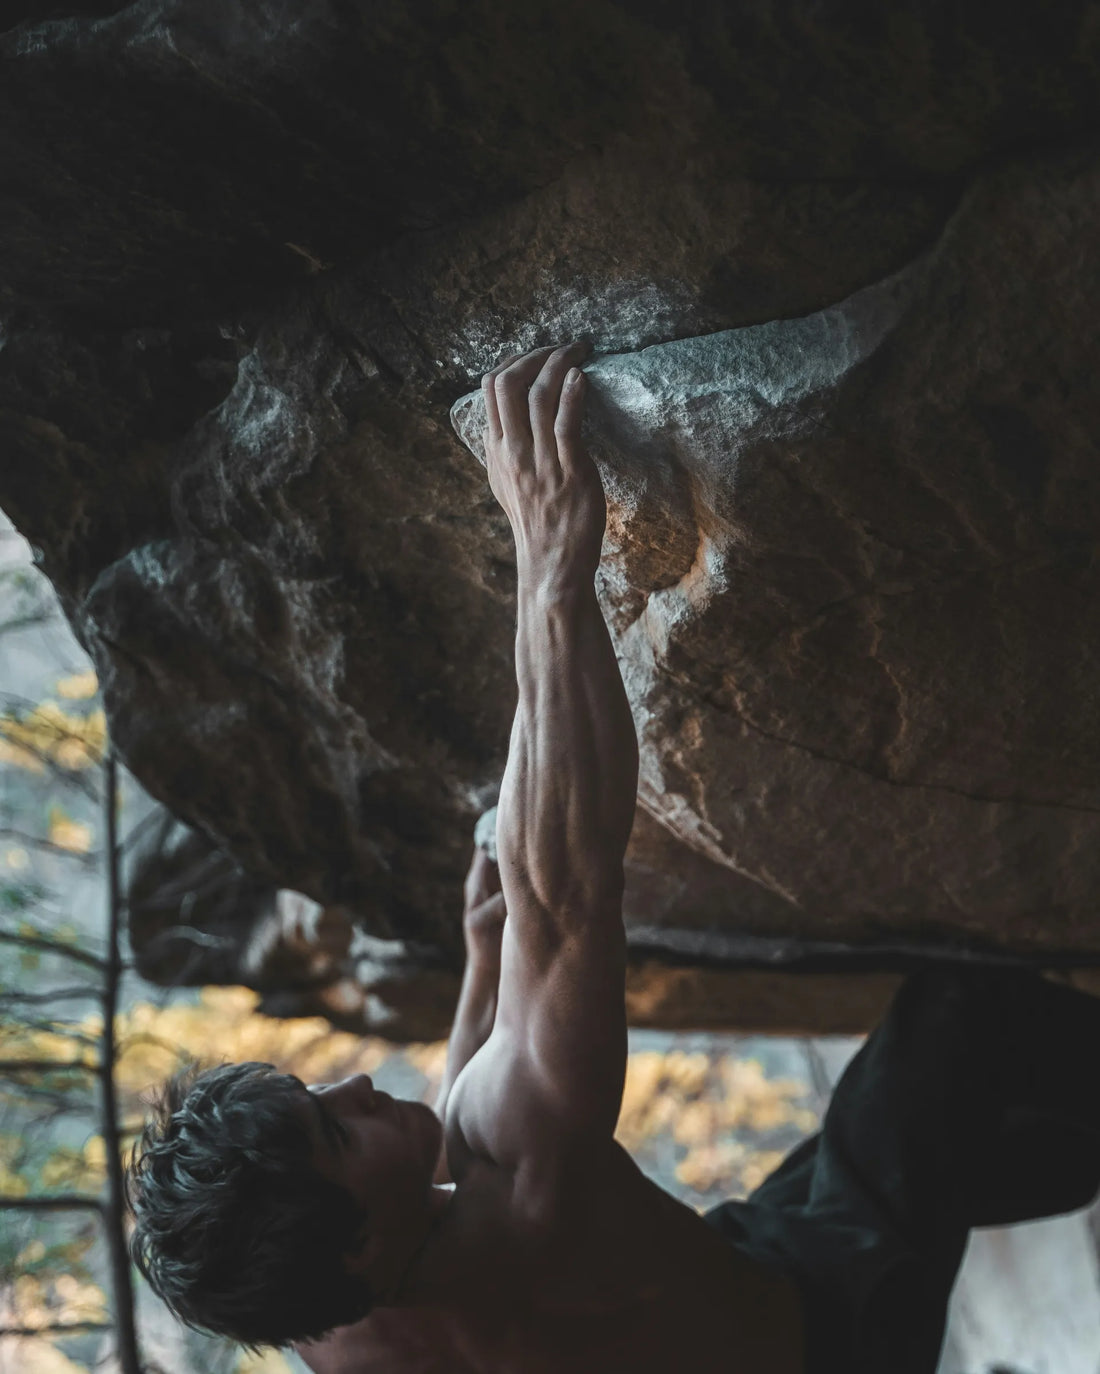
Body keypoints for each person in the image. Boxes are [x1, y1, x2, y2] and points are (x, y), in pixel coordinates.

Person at [127, 344, 1100, 1374]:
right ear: (355, 1239)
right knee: (958, 1018)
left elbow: (449, 1173)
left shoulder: (343, 1332)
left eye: (314, 1093)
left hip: (722, 1300)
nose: (356, 1084)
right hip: (837, 1314)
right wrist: (550, 564)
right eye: (337, 1132)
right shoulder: (528, 1162)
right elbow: (566, 883)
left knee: (896, 1155)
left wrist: (476, 968)